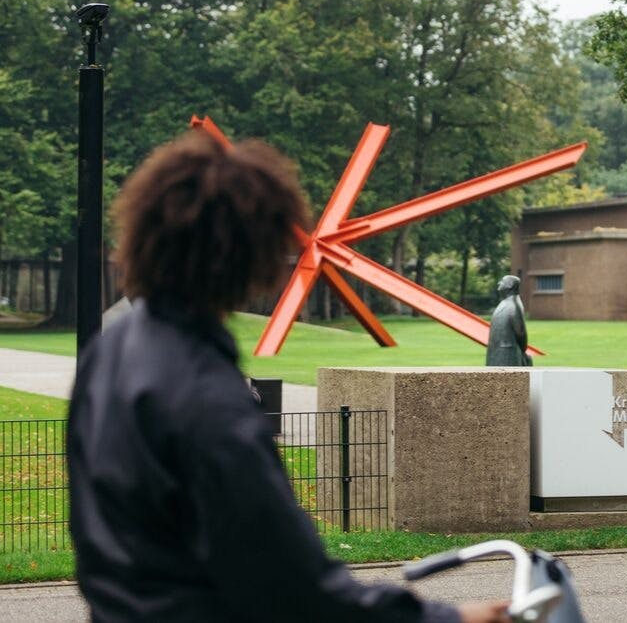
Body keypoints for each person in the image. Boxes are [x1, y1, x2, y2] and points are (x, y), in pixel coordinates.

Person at [67, 131, 508, 623]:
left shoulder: (111, 350)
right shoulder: (208, 402)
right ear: (248, 255)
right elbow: (296, 590)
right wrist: (450, 619)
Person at [485, 275, 531, 367]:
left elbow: (521, 333)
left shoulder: (515, 305)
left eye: (502, 281)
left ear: (510, 285)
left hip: (507, 355)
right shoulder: (506, 302)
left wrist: (522, 351)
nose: (499, 283)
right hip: (497, 353)